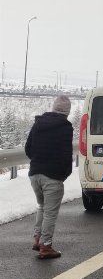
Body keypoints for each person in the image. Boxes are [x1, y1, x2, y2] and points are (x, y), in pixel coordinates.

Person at [25, 96, 74, 259]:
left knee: (42, 206)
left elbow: (28, 148)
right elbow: (67, 155)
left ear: (53, 108)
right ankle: (46, 246)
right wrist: (63, 173)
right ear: (67, 111)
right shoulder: (66, 127)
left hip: (34, 174)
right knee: (50, 213)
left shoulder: (38, 123)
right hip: (52, 176)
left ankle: (37, 239)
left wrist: (38, 163)